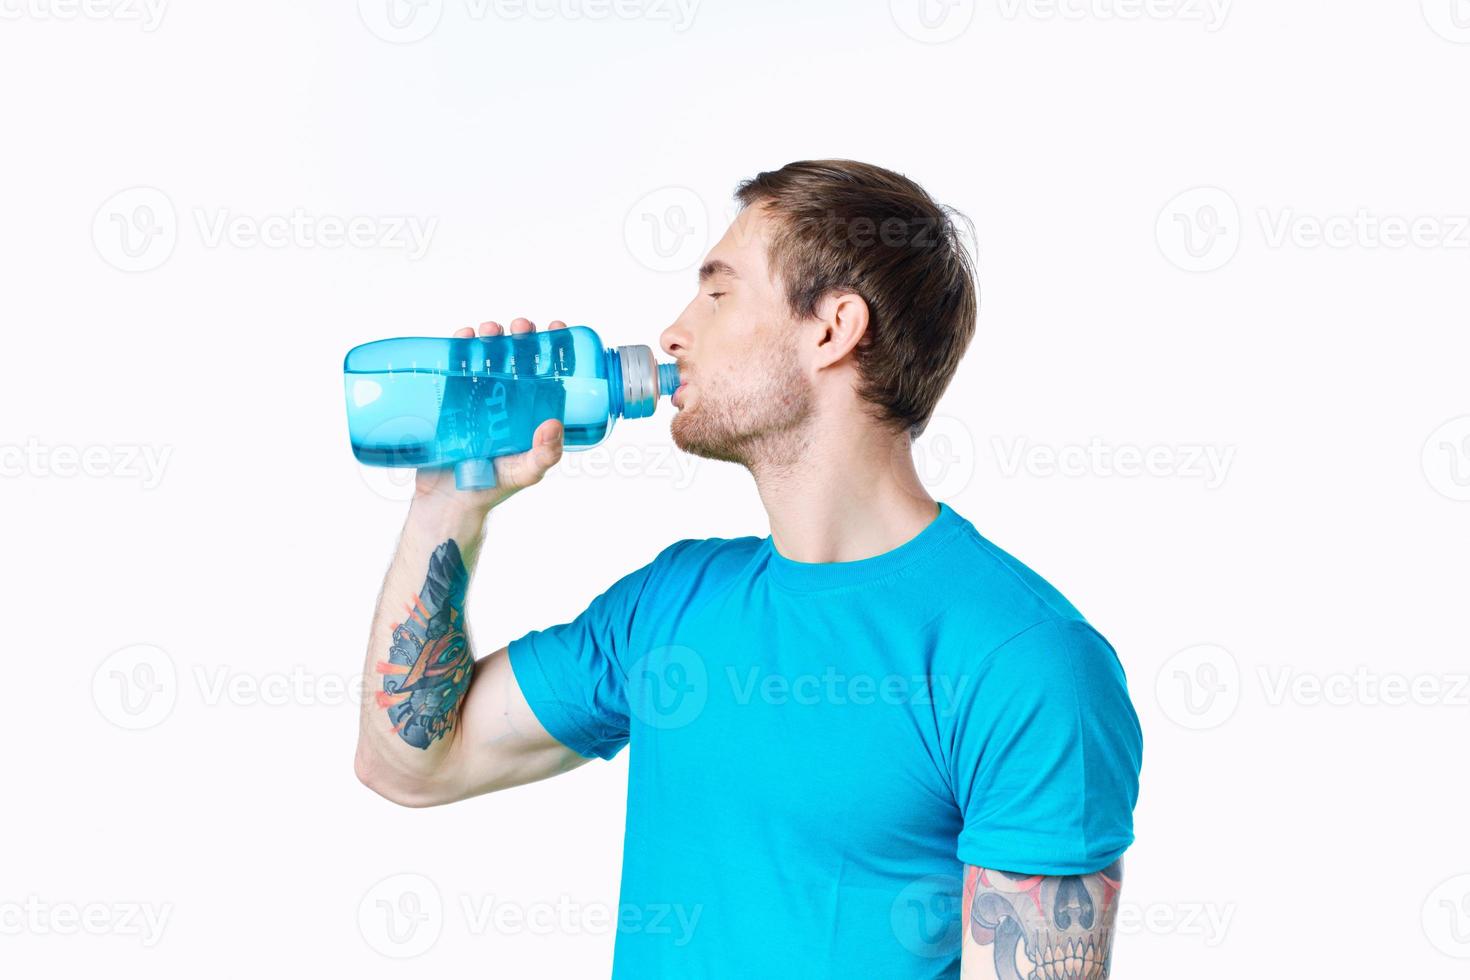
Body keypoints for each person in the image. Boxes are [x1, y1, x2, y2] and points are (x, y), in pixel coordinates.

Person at [353, 159, 1143, 979]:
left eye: (718, 293)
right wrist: (448, 505)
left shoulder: (1026, 662)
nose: (672, 334)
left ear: (832, 329)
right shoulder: (671, 602)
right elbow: (409, 766)